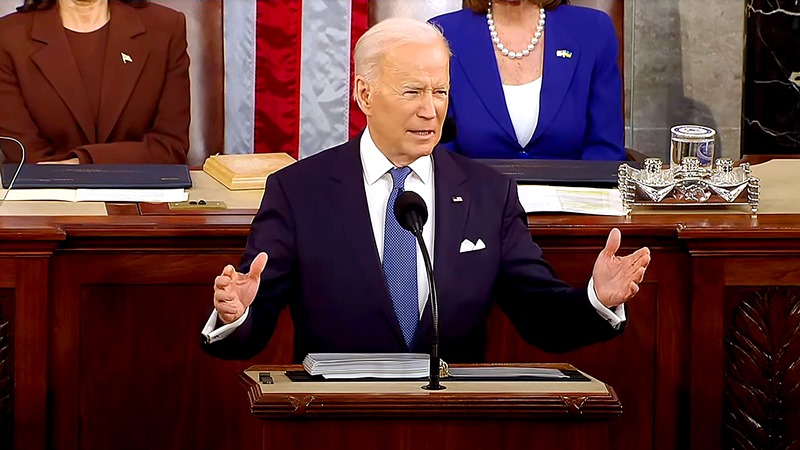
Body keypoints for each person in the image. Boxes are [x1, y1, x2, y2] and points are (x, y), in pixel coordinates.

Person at [202, 17, 649, 364]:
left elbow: (541, 316)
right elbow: (252, 328)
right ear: (364, 95)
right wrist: (235, 313)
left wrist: (596, 298)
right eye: (412, 91)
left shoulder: (488, 194)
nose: (430, 110)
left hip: (453, 425)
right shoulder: (299, 190)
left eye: (441, 91)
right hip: (337, 421)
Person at [429, 0, 625, 160]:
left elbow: (604, 149)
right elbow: (440, 148)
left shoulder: (593, 30)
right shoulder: (442, 35)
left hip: (572, 200)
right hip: (475, 200)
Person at [0, 0, 190, 164]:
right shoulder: (8, 37)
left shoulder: (166, 28)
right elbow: (25, 156)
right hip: (46, 199)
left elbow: (171, 147)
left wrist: (83, 162)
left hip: (142, 196)